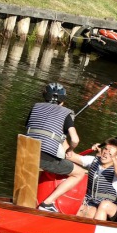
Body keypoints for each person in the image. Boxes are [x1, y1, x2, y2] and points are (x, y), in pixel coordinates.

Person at [28, 82, 86, 211]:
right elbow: (75, 140)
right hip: (44, 158)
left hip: (26, 153)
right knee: (80, 173)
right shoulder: (66, 113)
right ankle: (47, 203)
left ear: (45, 96)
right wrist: (70, 149)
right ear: (63, 100)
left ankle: (27, 199)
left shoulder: (35, 107)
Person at [67, 139, 117, 220]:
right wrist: (63, 136)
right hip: (89, 201)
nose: (106, 152)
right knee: (76, 208)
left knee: (92, 212)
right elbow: (70, 156)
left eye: (110, 152)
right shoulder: (93, 160)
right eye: (105, 149)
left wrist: (113, 158)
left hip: (109, 206)